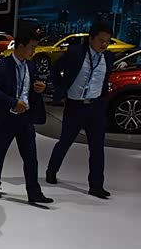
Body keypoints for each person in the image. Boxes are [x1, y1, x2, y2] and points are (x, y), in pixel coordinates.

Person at [46, 22, 114, 199]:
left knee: (97, 147)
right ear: (91, 38)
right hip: (75, 106)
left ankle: (96, 186)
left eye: (107, 41)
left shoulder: (108, 57)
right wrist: (60, 89)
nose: (104, 44)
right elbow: (55, 69)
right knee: (65, 141)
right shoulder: (75, 53)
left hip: (96, 107)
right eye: (101, 40)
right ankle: (51, 170)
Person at [0, 28, 53, 205]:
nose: (33, 51)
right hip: (5, 117)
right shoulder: (3, 65)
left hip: (25, 118)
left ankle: (34, 192)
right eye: (31, 47)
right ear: (21, 46)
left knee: (31, 156)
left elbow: (30, 86)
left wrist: (40, 88)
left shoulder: (31, 66)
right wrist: (13, 102)